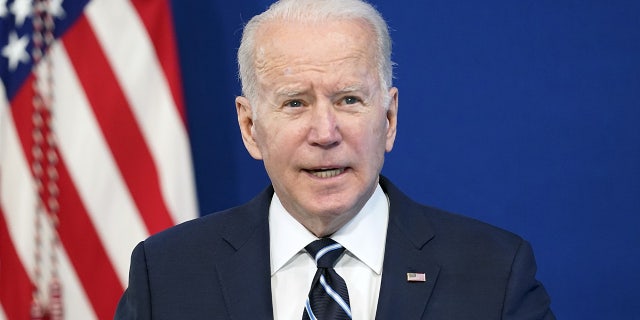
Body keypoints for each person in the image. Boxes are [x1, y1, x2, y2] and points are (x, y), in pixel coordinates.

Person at [115, 0, 555, 319]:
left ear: (389, 118)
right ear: (250, 127)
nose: (325, 134)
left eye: (348, 99)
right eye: (294, 103)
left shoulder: (494, 274)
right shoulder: (167, 275)